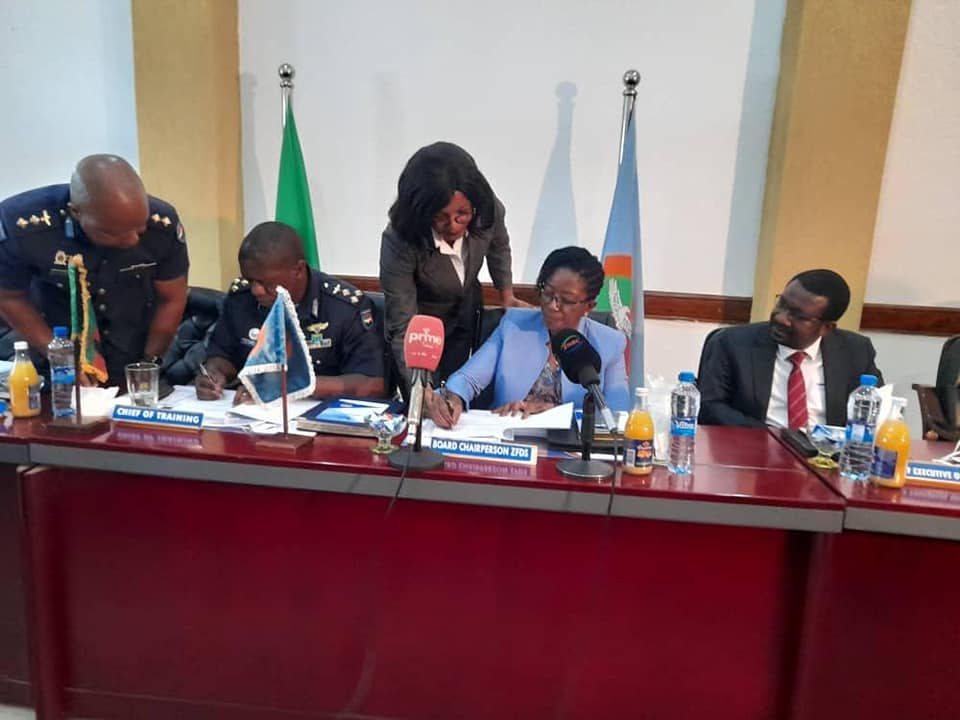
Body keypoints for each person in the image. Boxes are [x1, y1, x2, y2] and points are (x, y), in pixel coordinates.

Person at [0, 154, 189, 386]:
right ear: (76, 212)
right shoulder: (22, 226)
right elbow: (9, 297)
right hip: (53, 361)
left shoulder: (162, 223)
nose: (132, 240)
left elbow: (172, 298)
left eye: (139, 230)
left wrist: (149, 364)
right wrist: (59, 357)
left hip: (132, 358)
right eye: (114, 233)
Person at [426, 246, 630, 428]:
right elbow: (468, 378)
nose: (553, 305)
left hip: (570, 451)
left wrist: (555, 415)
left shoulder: (610, 343)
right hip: (510, 441)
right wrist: (454, 398)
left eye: (566, 300)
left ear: (589, 306)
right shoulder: (514, 325)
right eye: (547, 293)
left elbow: (619, 416)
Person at [379, 141, 527, 390]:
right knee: (424, 398)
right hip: (421, 328)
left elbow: (499, 245)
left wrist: (506, 294)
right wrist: (422, 392)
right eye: (440, 217)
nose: (453, 225)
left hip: (465, 315)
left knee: (458, 391)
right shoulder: (400, 239)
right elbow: (403, 326)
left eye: (462, 215)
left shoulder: (487, 209)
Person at [196, 221, 385, 403]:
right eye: (250, 280)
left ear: (299, 270)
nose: (256, 290)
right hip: (252, 414)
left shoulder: (345, 307)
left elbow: (372, 384)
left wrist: (291, 386)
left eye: (266, 283)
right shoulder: (241, 299)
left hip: (322, 415)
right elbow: (223, 354)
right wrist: (214, 374)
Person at [698, 268, 883, 428]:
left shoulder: (856, 351)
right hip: (757, 445)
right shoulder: (732, 343)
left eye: (797, 315)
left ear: (826, 328)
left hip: (827, 453)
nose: (781, 318)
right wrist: (772, 437)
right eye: (781, 304)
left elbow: (876, 412)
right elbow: (709, 406)